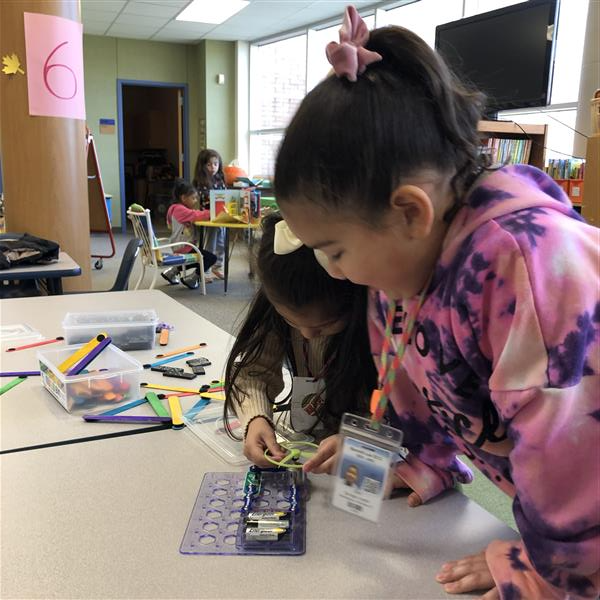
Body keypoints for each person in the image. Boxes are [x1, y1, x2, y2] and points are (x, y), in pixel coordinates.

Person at [273, 7, 599, 599]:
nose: (334, 273)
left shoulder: (530, 268)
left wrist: (546, 572)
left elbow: (574, 453)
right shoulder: (402, 272)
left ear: (409, 212)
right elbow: (410, 382)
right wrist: (406, 458)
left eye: (335, 251)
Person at [223, 212, 377, 466]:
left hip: (381, 463)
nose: (306, 334)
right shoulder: (282, 297)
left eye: (325, 325)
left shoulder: (381, 325)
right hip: (318, 442)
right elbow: (252, 371)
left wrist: (362, 440)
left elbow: (404, 416)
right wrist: (256, 418)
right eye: (292, 321)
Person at [161, 179, 217, 290]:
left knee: (199, 258)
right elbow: (196, 215)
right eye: (193, 198)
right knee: (210, 258)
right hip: (184, 246)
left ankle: (171, 272)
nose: (195, 201)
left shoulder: (173, 208)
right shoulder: (180, 210)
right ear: (183, 198)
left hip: (179, 245)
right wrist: (213, 212)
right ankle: (192, 279)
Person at [193, 149, 226, 283]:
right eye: (209, 164)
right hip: (208, 217)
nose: (213, 167)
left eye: (215, 164)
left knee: (221, 243)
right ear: (202, 166)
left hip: (221, 216)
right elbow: (203, 200)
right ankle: (205, 270)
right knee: (210, 243)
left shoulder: (220, 178)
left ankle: (217, 266)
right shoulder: (200, 182)